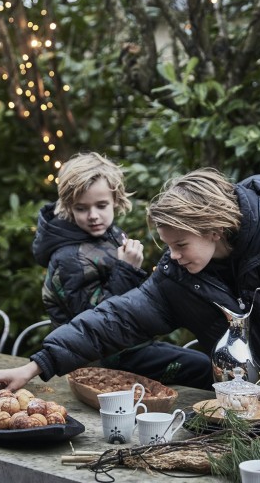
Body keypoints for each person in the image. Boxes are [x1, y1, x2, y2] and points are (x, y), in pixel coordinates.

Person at [0, 169, 260, 404]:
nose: (172, 255)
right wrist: (36, 366)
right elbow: (117, 317)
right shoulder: (178, 274)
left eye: (181, 244)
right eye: (167, 245)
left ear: (214, 230)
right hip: (248, 404)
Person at [29, 152, 212, 389]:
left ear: (115, 199)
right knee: (202, 368)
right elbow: (91, 320)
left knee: (206, 361)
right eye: (82, 208)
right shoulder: (68, 258)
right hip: (97, 360)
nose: (93, 216)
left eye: (101, 205)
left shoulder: (110, 235)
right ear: (67, 206)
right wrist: (127, 269)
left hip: (127, 347)